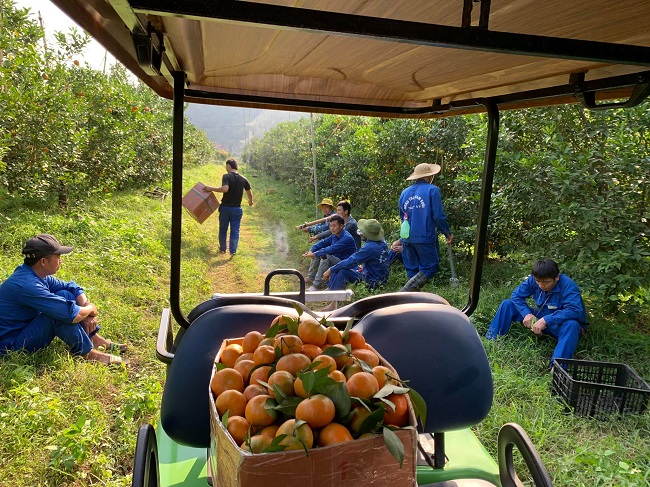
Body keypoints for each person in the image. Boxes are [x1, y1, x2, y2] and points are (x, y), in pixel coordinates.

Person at [0, 234, 127, 365]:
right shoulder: (27, 285)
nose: (61, 261)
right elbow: (70, 314)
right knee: (57, 316)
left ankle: (95, 339)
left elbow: (71, 287)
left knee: (65, 294)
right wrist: (91, 308)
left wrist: (85, 304)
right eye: (58, 257)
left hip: (26, 327)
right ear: (43, 262)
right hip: (11, 345)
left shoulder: (36, 274)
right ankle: (89, 354)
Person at [485, 259, 588, 367]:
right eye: (538, 281)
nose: (541, 285)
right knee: (507, 304)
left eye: (546, 282)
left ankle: (557, 367)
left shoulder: (568, 285)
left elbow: (574, 310)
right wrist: (527, 314)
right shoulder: (534, 280)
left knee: (572, 324)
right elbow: (516, 295)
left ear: (556, 277)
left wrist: (546, 320)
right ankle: (491, 340)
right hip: (541, 317)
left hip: (562, 325)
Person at [398, 163, 453, 292]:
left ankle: (413, 301)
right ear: (430, 176)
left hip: (407, 236)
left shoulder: (404, 193)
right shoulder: (432, 190)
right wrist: (447, 232)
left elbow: (402, 216)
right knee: (430, 267)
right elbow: (438, 216)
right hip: (424, 235)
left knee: (413, 269)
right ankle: (404, 293)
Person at [321, 219, 390, 312]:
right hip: (379, 275)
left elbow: (350, 261)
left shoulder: (370, 247)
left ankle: (333, 303)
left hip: (373, 280)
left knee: (343, 271)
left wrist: (330, 270)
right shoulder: (381, 242)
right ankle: (332, 289)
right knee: (343, 266)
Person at [203, 158, 254, 256]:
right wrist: (250, 201)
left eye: (226, 166)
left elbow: (225, 189)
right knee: (235, 230)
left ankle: (222, 249)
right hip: (237, 209)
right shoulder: (243, 179)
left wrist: (211, 189)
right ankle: (233, 251)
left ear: (229, 166)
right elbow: (249, 192)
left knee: (223, 229)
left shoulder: (226, 176)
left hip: (225, 208)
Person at [302, 215, 356, 291]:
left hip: (345, 263)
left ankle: (317, 285)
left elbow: (330, 249)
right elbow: (323, 242)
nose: (332, 228)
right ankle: (311, 277)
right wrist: (312, 250)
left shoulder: (346, 238)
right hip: (337, 260)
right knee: (319, 252)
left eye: (334, 226)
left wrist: (314, 254)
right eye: (330, 226)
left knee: (325, 255)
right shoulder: (334, 235)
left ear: (341, 226)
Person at [303, 198, 337, 284]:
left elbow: (325, 228)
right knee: (315, 250)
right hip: (327, 241)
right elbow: (319, 225)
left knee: (319, 253)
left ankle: (316, 280)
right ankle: (312, 277)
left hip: (333, 243)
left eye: (326, 207)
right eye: (323, 207)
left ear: (331, 208)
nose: (324, 209)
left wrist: (310, 229)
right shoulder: (325, 217)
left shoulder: (333, 217)